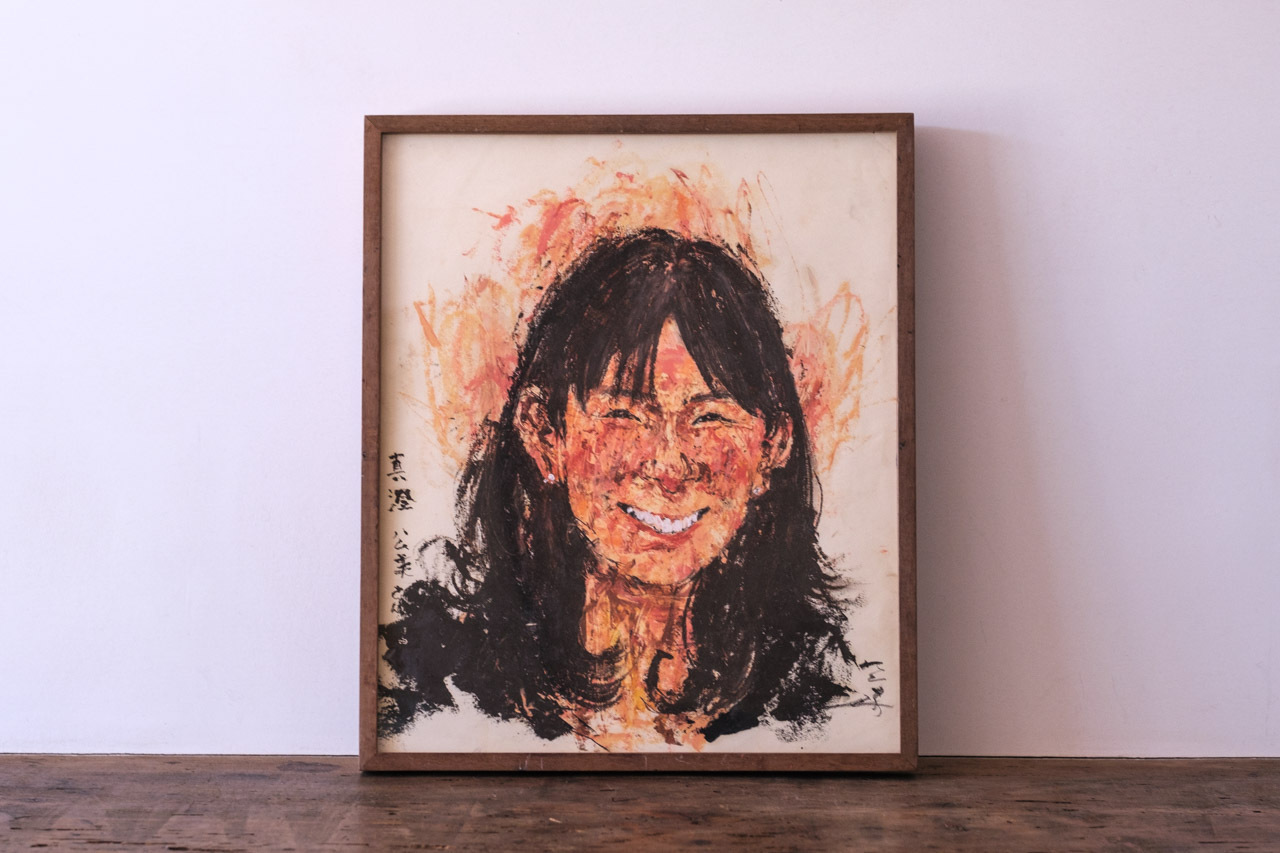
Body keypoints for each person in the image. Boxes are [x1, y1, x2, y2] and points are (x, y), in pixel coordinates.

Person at [379, 228, 859, 748]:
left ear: (773, 447)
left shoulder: (827, 690)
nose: (669, 466)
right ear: (544, 434)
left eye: (710, 417)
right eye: (625, 415)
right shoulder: (436, 677)